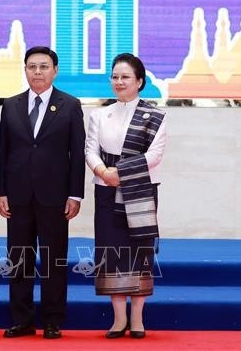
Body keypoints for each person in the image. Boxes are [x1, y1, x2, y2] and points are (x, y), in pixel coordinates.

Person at [0, 46, 86, 339]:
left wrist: (75, 195)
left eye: (44, 67)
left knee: (54, 260)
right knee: (19, 260)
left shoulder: (70, 105)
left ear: (55, 70)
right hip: (18, 196)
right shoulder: (10, 105)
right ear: (24, 70)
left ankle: (52, 320)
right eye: (32, 66)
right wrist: (1, 191)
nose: (37, 72)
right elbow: (3, 151)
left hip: (55, 198)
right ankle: (22, 319)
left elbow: (77, 152)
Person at [85, 53, 168, 339]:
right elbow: (90, 150)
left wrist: (119, 173)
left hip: (140, 190)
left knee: (139, 252)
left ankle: (137, 318)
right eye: (115, 77)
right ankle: (119, 319)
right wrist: (103, 172)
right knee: (112, 253)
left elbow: (155, 155)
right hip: (106, 191)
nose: (119, 82)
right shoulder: (99, 114)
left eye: (125, 77)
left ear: (139, 82)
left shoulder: (156, 115)